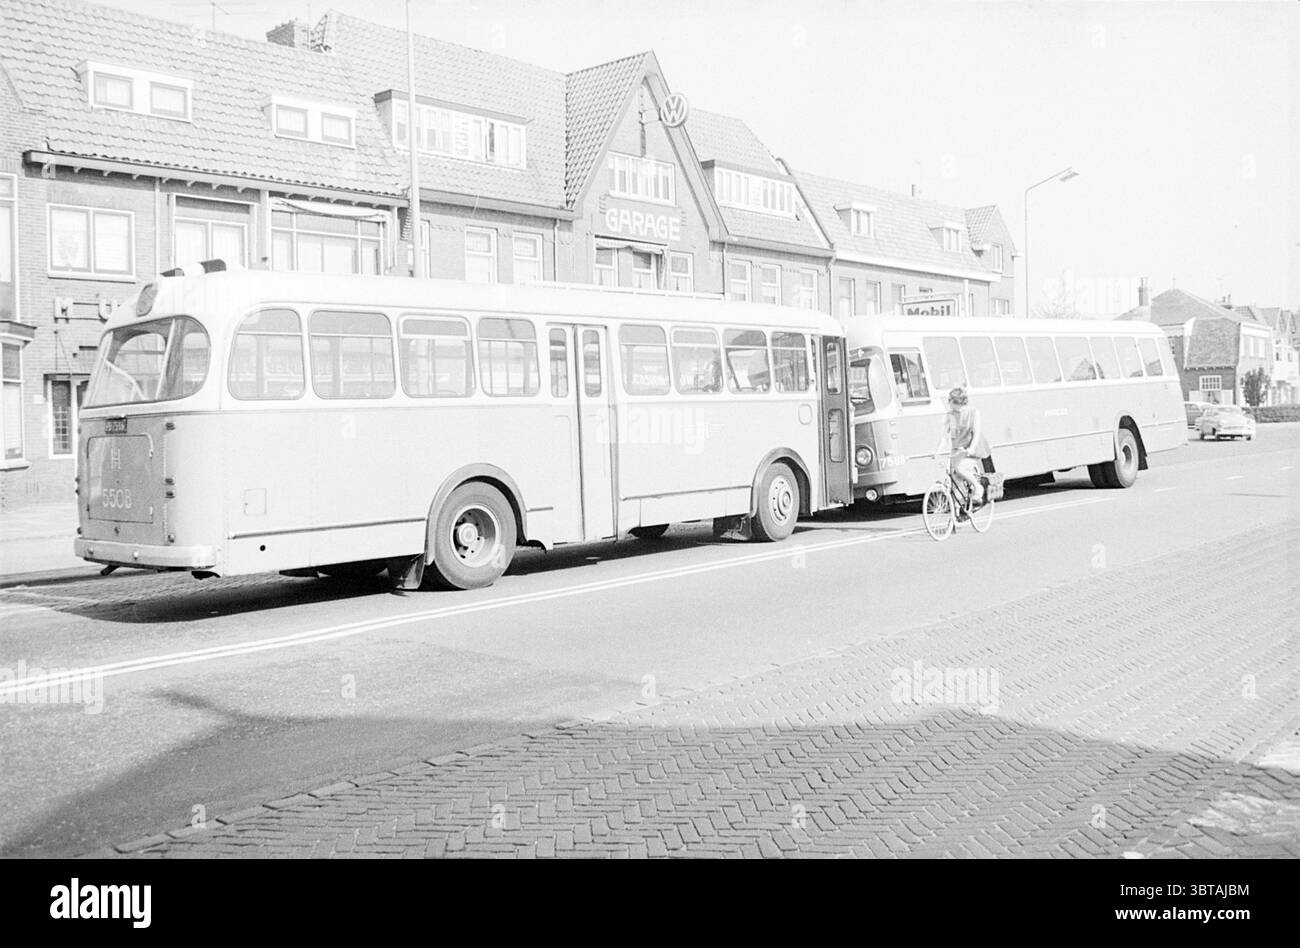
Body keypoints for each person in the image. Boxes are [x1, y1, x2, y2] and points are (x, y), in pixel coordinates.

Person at [934, 386, 992, 509]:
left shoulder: (973, 413)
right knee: (954, 478)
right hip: (957, 450)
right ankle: (958, 510)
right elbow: (945, 436)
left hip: (971, 450)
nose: (951, 405)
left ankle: (978, 487)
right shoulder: (950, 415)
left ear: (959, 402)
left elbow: (976, 433)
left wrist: (971, 448)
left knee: (960, 469)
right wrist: (937, 451)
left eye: (953, 402)